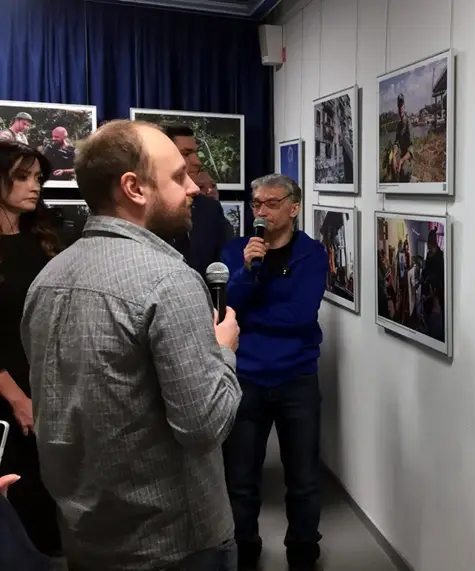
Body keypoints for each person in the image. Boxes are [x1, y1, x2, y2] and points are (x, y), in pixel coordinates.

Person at [20, 120, 243, 571]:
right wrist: (224, 349)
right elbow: (205, 427)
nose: (194, 188)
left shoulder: (47, 279)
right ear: (134, 188)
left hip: (85, 537)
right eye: (178, 177)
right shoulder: (170, 281)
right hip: (175, 545)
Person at [221, 174, 328, 571]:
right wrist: (249, 270)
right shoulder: (235, 251)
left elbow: (300, 316)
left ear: (294, 207)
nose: (261, 212)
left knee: (303, 477)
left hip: (296, 378)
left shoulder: (312, 254)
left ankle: (302, 551)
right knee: (241, 478)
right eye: (256, 204)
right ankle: (244, 549)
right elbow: (225, 308)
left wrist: (250, 316)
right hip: (245, 377)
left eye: (271, 203)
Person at [0, 141, 62, 559]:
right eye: (22, 177)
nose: (34, 186)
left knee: (47, 498)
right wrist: (16, 396)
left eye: (38, 178)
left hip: (46, 383)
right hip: (8, 391)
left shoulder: (44, 239)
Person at [162, 123, 231, 278]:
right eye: (186, 153)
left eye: (195, 152)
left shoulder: (210, 209)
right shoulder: (144, 208)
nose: (197, 161)